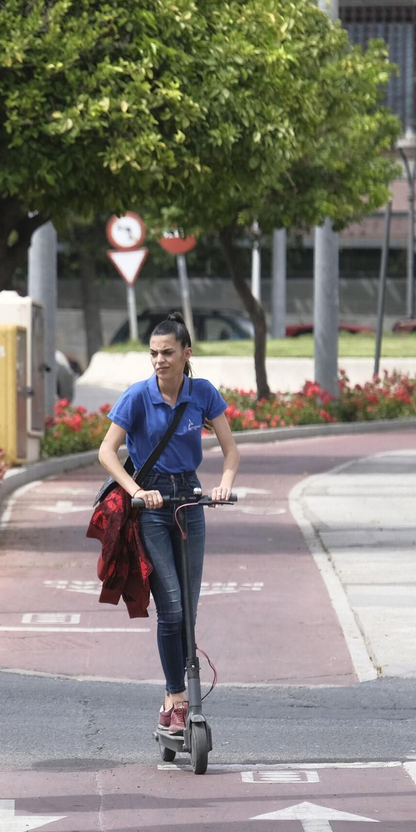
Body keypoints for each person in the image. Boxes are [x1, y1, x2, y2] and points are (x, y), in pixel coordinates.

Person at [95, 312, 240, 736]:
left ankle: (173, 701)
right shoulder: (138, 397)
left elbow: (230, 451)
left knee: (189, 611)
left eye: (168, 353)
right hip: (152, 503)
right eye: (154, 353)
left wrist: (223, 485)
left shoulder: (202, 394)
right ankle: (177, 696)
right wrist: (136, 491)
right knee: (172, 609)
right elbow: (107, 451)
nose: (159, 360)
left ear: (186, 354)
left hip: (190, 498)